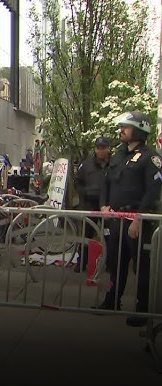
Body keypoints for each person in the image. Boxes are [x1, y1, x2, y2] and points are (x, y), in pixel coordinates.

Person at [99, 111, 161, 327]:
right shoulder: (118, 155)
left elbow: (152, 191)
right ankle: (111, 301)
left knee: (142, 267)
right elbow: (106, 183)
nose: (121, 130)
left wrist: (139, 219)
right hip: (116, 218)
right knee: (116, 262)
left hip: (137, 220)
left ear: (139, 129)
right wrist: (103, 205)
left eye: (126, 126)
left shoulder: (150, 157)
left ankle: (142, 309)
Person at [73, 136, 110, 272]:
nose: (101, 151)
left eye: (104, 148)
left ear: (108, 149)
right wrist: (85, 192)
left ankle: (110, 263)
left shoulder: (113, 165)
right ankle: (81, 262)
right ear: (95, 149)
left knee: (108, 235)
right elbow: (77, 182)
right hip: (89, 204)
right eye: (98, 148)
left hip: (107, 206)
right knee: (86, 235)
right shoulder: (86, 165)